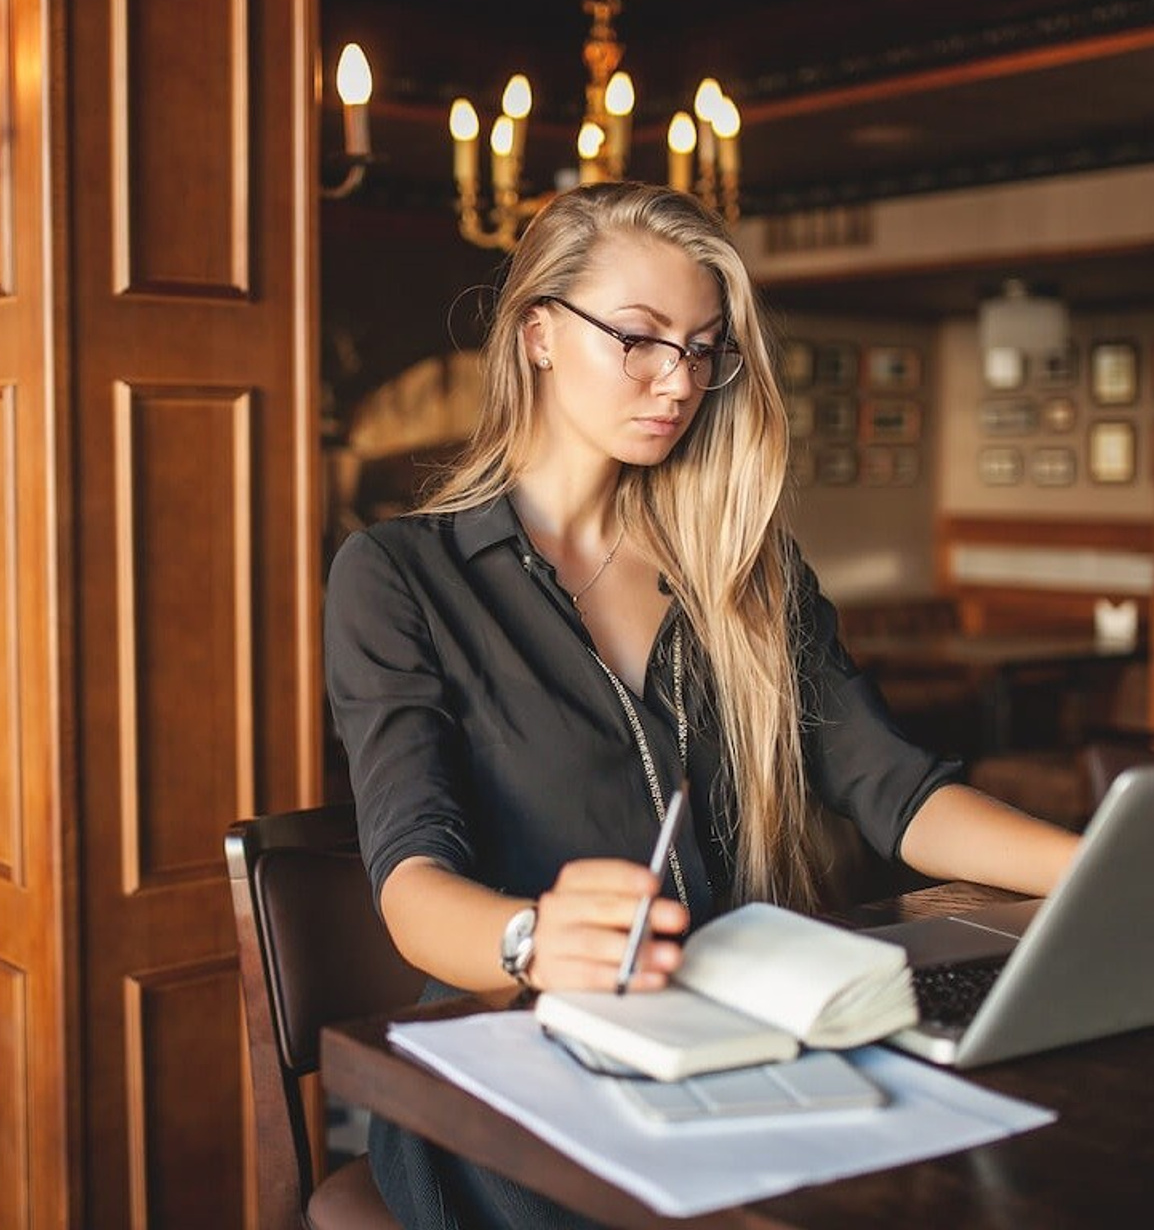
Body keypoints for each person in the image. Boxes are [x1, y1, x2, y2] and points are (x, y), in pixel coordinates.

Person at [324, 180, 1080, 1228]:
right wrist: (528, 937)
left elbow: (896, 790)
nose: (676, 380)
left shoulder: (745, 566)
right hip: (512, 1070)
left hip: (731, 1039)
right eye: (638, 339)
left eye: (701, 347)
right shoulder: (401, 575)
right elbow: (411, 878)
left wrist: (1096, 874)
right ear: (538, 333)